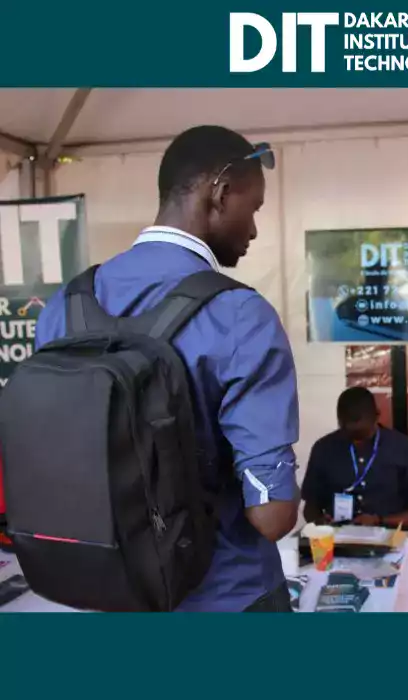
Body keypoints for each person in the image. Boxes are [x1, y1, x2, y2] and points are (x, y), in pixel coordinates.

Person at [35, 126, 300, 612]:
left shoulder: (64, 306)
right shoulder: (241, 314)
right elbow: (272, 516)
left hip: (103, 595)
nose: (256, 229)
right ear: (219, 193)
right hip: (226, 598)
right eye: (254, 208)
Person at [301, 387, 408, 612]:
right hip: (334, 545)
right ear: (339, 420)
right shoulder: (323, 449)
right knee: (297, 582)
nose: (357, 442)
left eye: (363, 435)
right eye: (350, 435)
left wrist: (379, 519)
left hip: (390, 543)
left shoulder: (404, 449)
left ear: (378, 416)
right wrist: (320, 520)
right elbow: (309, 507)